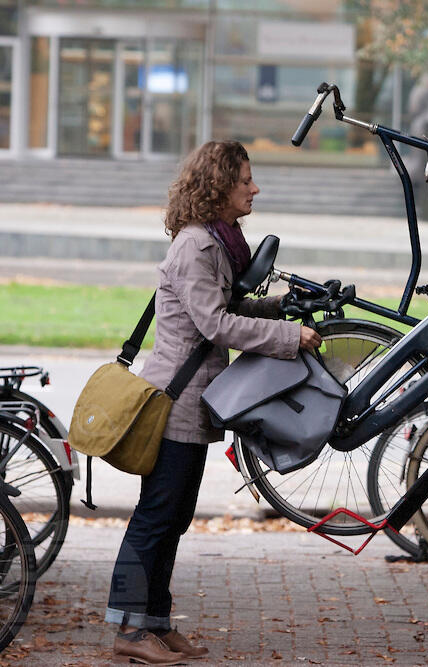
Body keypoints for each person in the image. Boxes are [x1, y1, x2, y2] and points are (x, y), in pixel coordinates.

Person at [105, 140, 322, 665]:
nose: (254, 188)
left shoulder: (216, 241)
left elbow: (228, 305)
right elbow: (215, 324)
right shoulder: (197, 245)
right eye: (245, 179)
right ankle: (129, 630)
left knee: (174, 517)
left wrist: (280, 307)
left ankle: (154, 621)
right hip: (173, 402)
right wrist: (289, 337)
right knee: (156, 516)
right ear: (219, 186)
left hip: (195, 399)